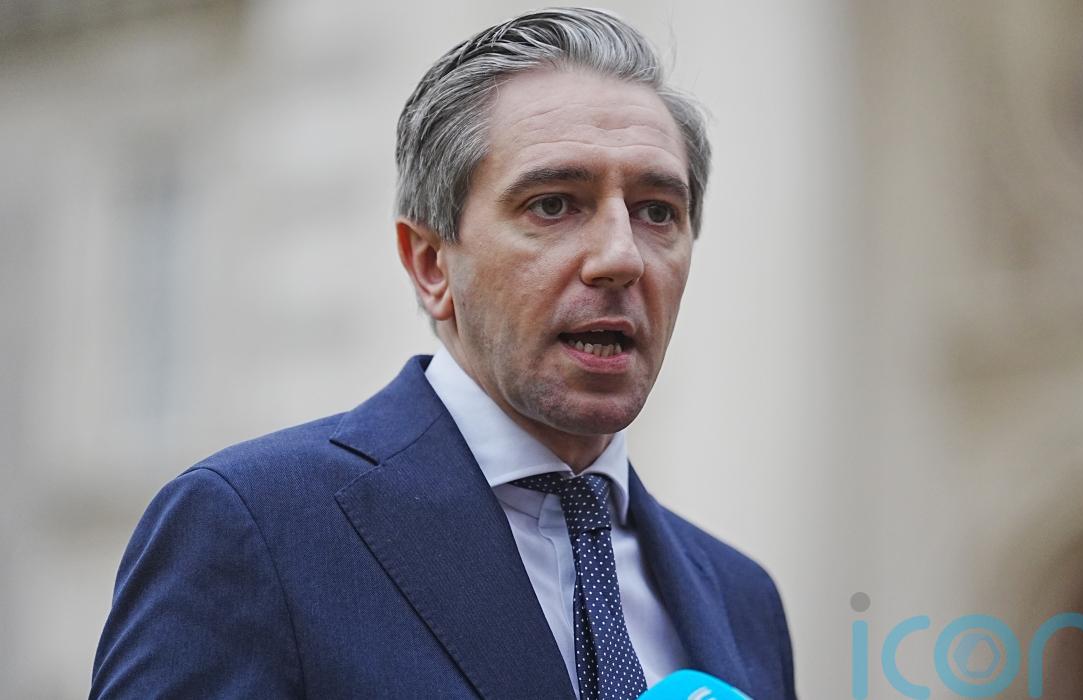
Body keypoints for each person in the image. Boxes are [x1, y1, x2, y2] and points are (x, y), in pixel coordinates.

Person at [90, 8, 796, 699]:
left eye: (657, 212)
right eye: (554, 204)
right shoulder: (254, 528)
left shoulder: (742, 599)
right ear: (430, 263)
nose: (621, 257)